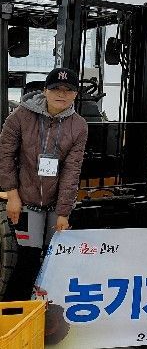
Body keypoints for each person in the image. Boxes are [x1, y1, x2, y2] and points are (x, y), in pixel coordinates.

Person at [0, 67, 88, 300]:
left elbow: (72, 170)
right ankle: (13, 313)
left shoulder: (79, 126)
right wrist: (12, 195)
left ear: (75, 94)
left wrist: (63, 212)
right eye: (56, 88)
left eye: (68, 90)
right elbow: (5, 155)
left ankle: (48, 312)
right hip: (26, 201)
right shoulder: (20, 116)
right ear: (45, 91)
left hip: (55, 204)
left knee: (53, 260)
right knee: (28, 259)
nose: (62, 94)